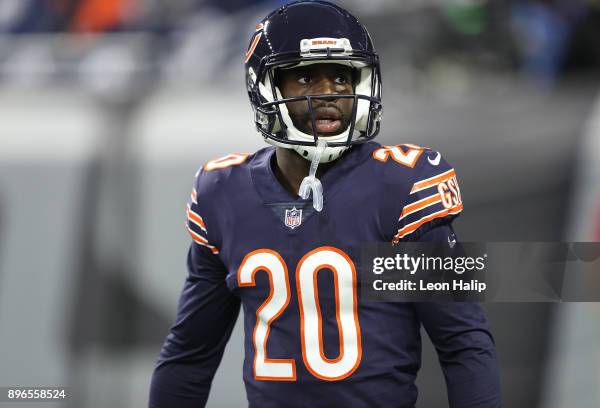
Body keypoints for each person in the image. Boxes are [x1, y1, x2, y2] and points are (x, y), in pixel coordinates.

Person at [149, 1, 501, 407]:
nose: (329, 91)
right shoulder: (223, 193)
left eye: (340, 75)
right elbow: (190, 354)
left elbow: (463, 343)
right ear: (265, 87)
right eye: (304, 77)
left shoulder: (402, 186)